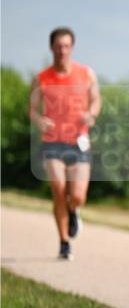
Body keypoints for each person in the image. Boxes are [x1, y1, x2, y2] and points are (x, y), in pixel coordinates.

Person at [29, 27, 101, 260]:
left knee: (78, 195)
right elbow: (31, 108)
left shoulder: (86, 74)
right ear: (51, 48)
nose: (62, 51)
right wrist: (40, 120)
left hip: (79, 141)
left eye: (66, 46)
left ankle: (73, 211)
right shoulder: (42, 79)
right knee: (59, 190)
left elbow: (96, 99)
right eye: (58, 46)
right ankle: (64, 243)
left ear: (72, 48)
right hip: (53, 143)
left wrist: (91, 113)